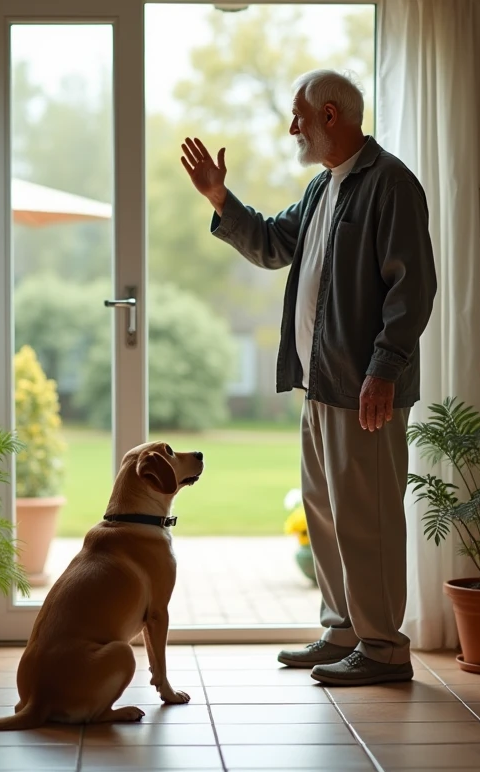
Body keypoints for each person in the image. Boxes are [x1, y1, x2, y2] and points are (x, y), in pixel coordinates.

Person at [180, 69, 437, 686]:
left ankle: (382, 648)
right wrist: (220, 198)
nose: (292, 126)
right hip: (321, 384)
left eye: (299, 115)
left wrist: (383, 370)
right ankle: (344, 630)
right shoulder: (324, 187)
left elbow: (412, 289)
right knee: (325, 514)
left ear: (329, 115)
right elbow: (273, 243)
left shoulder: (391, 183)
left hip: (365, 389)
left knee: (368, 520)